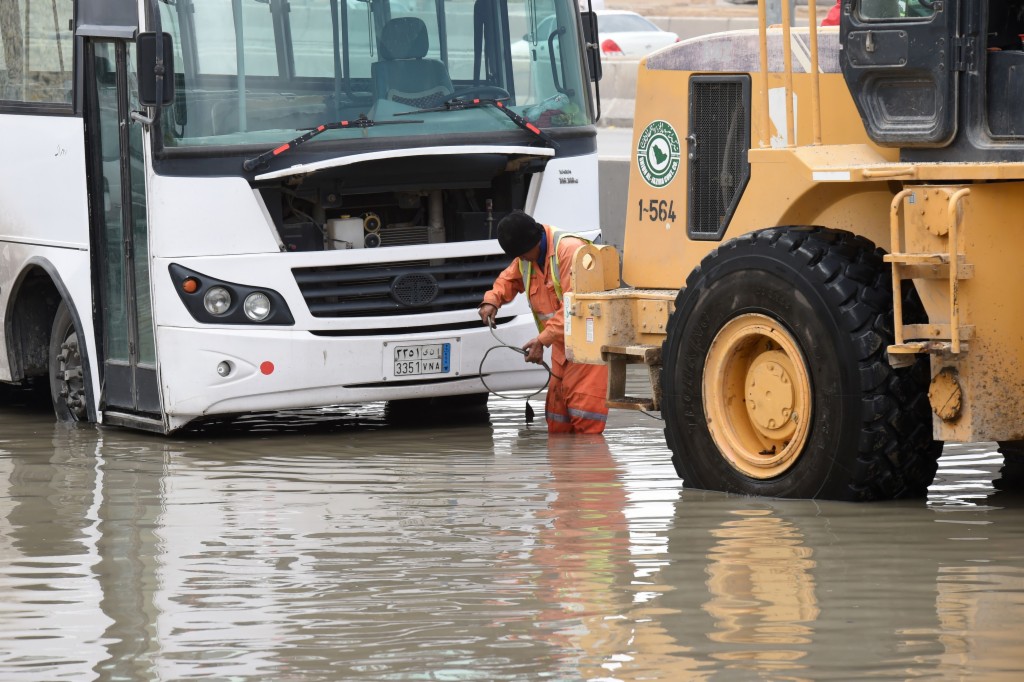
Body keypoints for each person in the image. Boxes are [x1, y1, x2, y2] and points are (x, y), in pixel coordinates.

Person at [478, 211, 609, 434]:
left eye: (523, 255)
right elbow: (508, 279)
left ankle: (590, 466)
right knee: (557, 419)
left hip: (588, 344)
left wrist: (541, 340)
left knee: (584, 415)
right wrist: (492, 301)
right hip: (562, 346)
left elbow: (573, 309)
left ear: (535, 242)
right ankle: (560, 466)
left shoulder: (569, 251)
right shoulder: (526, 258)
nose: (522, 260)